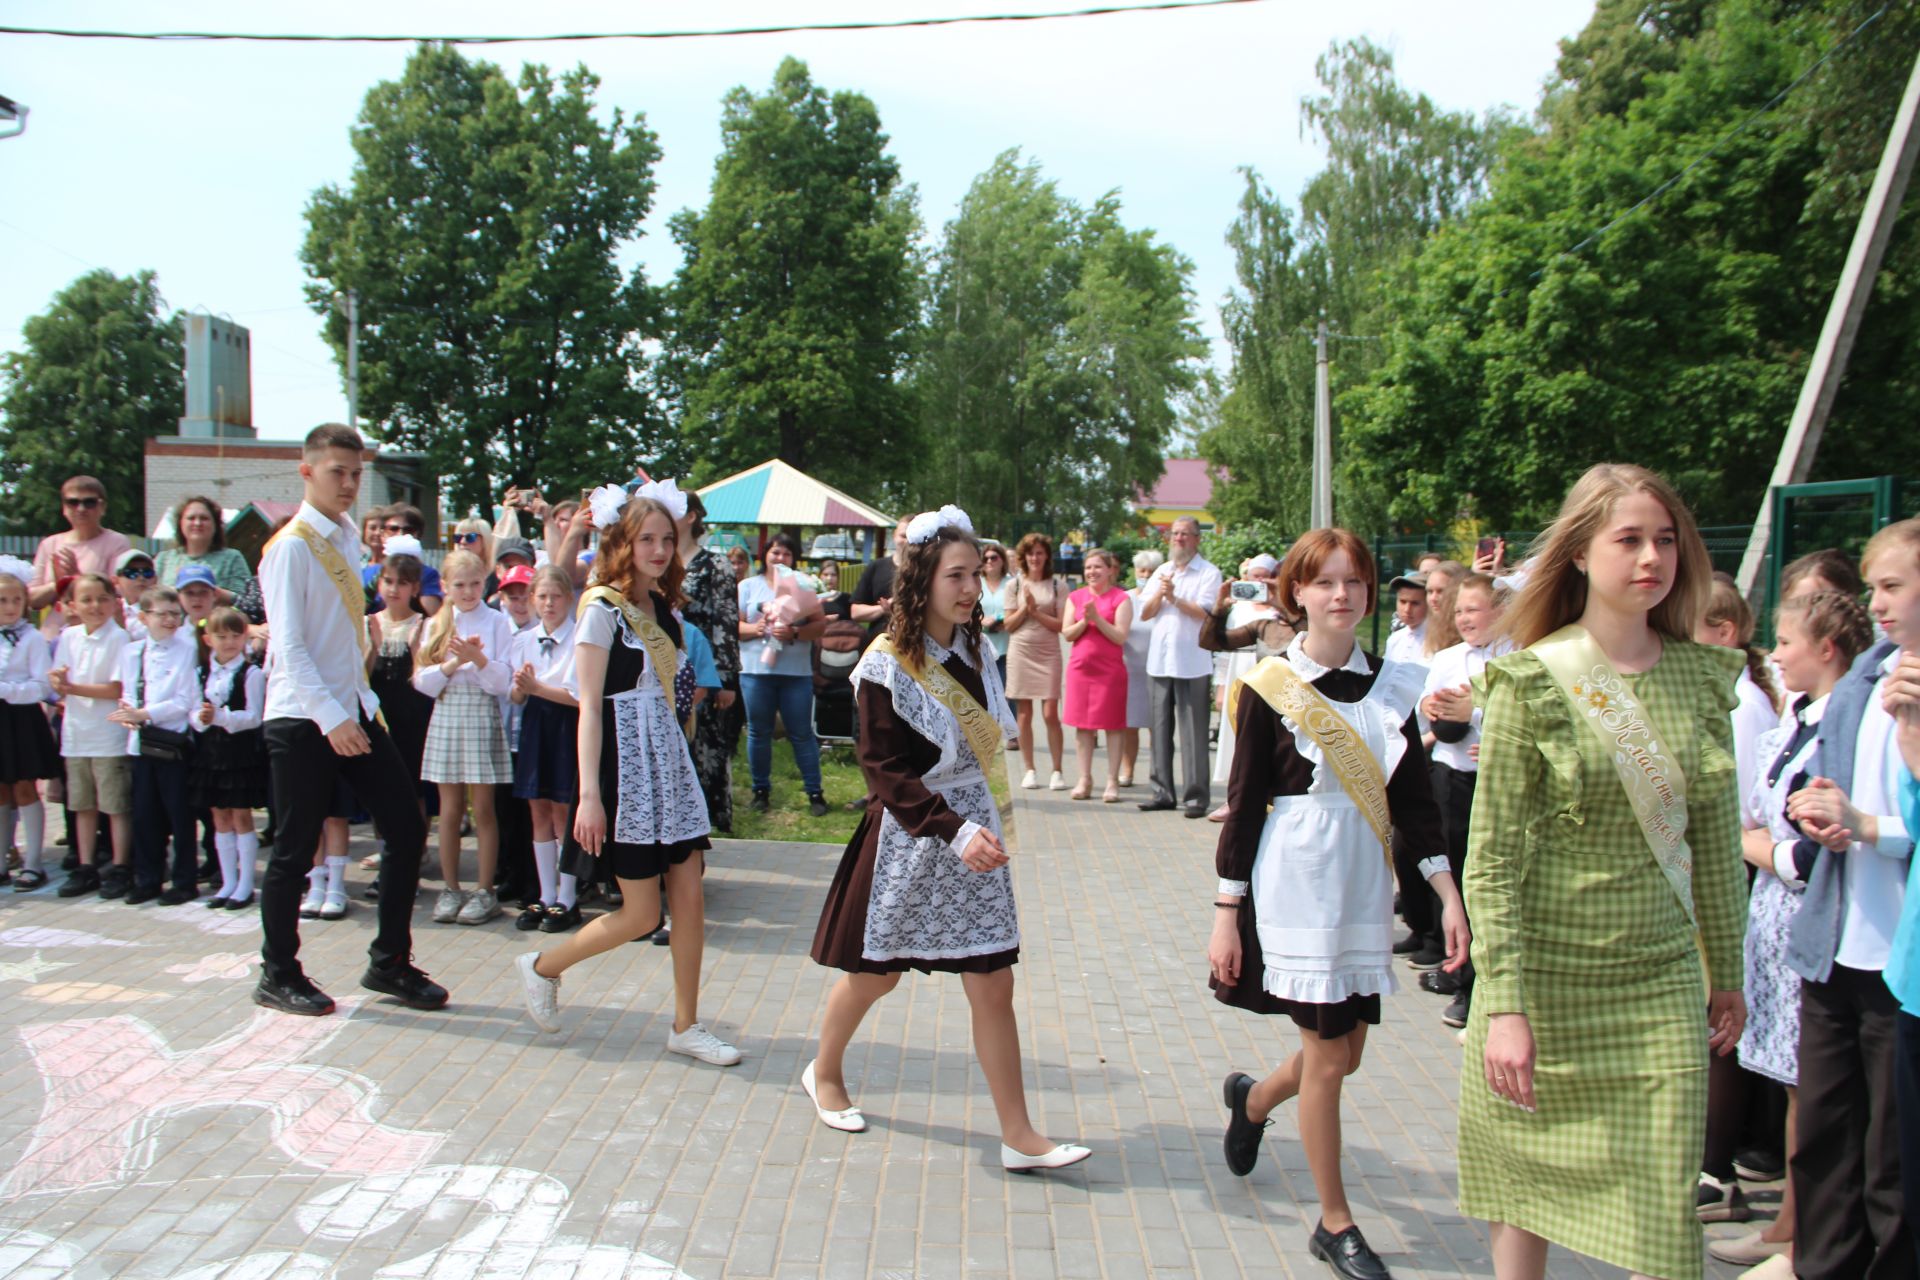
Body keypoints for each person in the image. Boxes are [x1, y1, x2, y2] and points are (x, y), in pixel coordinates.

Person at [1458, 463, 1747, 1280]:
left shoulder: (1703, 678)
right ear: (1581, 553)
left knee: (1664, 1216)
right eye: (1629, 540)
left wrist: (1726, 968)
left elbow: (1718, 843)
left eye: (1665, 540)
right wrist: (1504, 1002)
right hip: (1543, 984)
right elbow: (1495, 858)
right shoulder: (1531, 680)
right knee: (1523, 1187)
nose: (1651, 557)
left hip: (1657, 988)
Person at [1210, 527, 1466, 1280]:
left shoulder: (1397, 685)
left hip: (1361, 885)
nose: (1342, 594)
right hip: (1293, 887)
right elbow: (1245, 803)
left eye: (1355, 581)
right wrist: (1226, 912)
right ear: (1296, 593)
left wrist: (1447, 897)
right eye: (1325, 582)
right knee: (1327, 1058)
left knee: (1344, 1054)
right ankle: (1335, 1221)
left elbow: (1416, 807)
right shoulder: (1266, 686)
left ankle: (1254, 1101)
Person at [802, 505, 1090, 1170]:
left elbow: (986, 746)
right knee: (876, 976)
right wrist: (950, 829)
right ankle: (824, 1070)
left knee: (993, 982)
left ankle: (1019, 1135)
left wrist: (981, 823)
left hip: (973, 828)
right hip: (911, 836)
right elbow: (883, 770)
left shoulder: (974, 647)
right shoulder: (886, 662)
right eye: (955, 575)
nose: (969, 588)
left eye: (977, 574)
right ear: (922, 580)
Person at [514, 486, 741, 1067]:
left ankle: (686, 1025)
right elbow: (589, 706)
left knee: (689, 895)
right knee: (642, 913)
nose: (660, 550)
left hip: (667, 762)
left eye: (667, 539)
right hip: (622, 766)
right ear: (623, 542)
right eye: (647, 539)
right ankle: (543, 966)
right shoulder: (599, 610)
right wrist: (589, 796)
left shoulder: (662, 609)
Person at [1709, 590, 1874, 1275]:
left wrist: (1758, 848)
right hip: (1773, 918)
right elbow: (1755, 812)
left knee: (1813, 1086)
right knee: (1789, 1078)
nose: (1775, 656)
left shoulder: (1840, 726)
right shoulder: (1800, 719)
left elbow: (1805, 852)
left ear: (1828, 650)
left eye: (1788, 643)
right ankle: (1789, 1223)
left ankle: (1806, 1229)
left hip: (1803, 909)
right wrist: (1758, 841)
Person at [256, 423, 444, 1018]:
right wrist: (333, 715)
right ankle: (278, 972)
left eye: (356, 474)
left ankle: (389, 962)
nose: (349, 483)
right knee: (293, 848)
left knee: (407, 827)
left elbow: (338, 639)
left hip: (354, 710)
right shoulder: (291, 546)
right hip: (303, 716)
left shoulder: (341, 537)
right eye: (338, 472)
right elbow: (288, 646)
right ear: (306, 472)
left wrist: (356, 705)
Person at [1792, 517, 1920, 1280]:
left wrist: (1870, 825)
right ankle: (1820, 1264)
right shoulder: (1865, 681)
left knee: (1892, 1156)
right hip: (1834, 935)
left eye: (1893, 586)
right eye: (1872, 587)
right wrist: (1823, 811)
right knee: (1823, 1135)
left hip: (1898, 953)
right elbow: (1837, 785)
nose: (1875, 604)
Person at [1415, 572, 1510, 1029]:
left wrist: (1480, 718)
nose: (1464, 619)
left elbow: (1522, 713)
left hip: (1497, 785)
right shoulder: (1450, 657)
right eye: (1458, 612)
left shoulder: (1517, 657)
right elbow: (1424, 706)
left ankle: (1486, 990)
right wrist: (1435, 708)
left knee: (1487, 885)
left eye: (1473, 609)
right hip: (1452, 780)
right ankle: (1460, 975)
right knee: (1451, 876)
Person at [413, 548, 515, 927]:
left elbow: (503, 681)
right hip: (447, 713)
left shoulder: (497, 621)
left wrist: (480, 660)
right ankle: (452, 887)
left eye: (475, 583)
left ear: (485, 582)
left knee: (483, 808)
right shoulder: (436, 622)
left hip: (480, 712)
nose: (469, 591)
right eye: (460, 584)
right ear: (445, 586)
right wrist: (455, 662)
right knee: (450, 810)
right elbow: (422, 681)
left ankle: (485, 889)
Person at [110, 585, 202, 905]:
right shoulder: (131, 651)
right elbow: (128, 691)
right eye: (161, 614)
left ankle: (185, 880)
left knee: (179, 814)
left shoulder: (187, 648)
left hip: (172, 743)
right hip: (140, 743)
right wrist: (128, 712)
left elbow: (184, 700)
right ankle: (147, 878)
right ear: (143, 617)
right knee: (144, 815)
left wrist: (144, 713)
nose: (169, 620)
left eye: (175, 614)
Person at [49, 574, 131, 898]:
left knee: (114, 805)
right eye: (86, 599)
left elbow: (115, 688)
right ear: (71, 606)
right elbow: (59, 678)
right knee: (82, 804)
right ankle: (86, 865)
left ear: (114, 602)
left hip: (108, 735)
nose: (94, 606)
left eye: (102, 598)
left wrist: (70, 688)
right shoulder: (68, 636)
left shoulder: (119, 638)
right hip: (75, 735)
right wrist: (58, 683)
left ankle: (121, 865)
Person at [510, 565, 582, 933]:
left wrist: (535, 688)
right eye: (542, 596)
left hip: (566, 724)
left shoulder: (578, 638)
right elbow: (516, 693)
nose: (549, 603)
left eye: (556, 596)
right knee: (537, 810)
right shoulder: (524, 639)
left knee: (562, 812)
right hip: (535, 725)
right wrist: (522, 687)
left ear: (570, 600)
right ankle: (546, 892)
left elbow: (578, 696)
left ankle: (568, 896)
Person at [737, 533, 829, 818]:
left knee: (802, 734)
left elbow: (820, 625)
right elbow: (733, 625)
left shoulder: (803, 585)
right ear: (765, 555)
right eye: (776, 553)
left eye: (787, 554)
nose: (780, 558)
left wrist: (795, 632)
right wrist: (758, 629)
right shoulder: (747, 587)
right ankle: (760, 791)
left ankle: (815, 792)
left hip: (795, 673)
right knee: (758, 732)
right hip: (755, 671)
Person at [1138, 517, 1223, 817]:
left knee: (1194, 733)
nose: (1179, 539)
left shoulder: (1209, 573)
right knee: (1159, 730)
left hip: (1193, 662)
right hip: (1160, 662)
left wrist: (1174, 596)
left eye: (1185, 534)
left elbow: (1204, 613)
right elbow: (1145, 612)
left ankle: (1196, 797)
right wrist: (1162, 593)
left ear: (1198, 539)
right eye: (1175, 534)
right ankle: (1162, 792)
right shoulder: (1162, 571)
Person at [191, 606, 268, 910]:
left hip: (240, 753)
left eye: (235, 636)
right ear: (208, 639)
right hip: (211, 752)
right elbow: (192, 711)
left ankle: (246, 883)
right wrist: (202, 718)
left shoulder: (251, 673)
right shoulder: (201, 672)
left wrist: (221, 717)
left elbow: (254, 717)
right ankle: (227, 881)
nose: (229, 642)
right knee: (219, 817)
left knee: (241, 816)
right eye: (221, 636)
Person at [676, 490, 742, 836]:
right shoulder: (658, 559)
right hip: (665, 668)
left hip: (706, 673)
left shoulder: (715, 563)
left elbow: (726, 621)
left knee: (707, 752)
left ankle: (703, 828)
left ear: (691, 516)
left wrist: (727, 678)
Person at [1205, 556, 1287, 821]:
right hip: (1240, 677)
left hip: (1274, 682)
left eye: (1266, 576)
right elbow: (1216, 645)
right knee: (1239, 740)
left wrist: (1280, 602)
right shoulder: (1240, 610)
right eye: (1255, 576)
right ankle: (1237, 798)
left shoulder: (1282, 611)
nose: (1260, 582)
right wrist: (1219, 608)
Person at [0, 555, 57, 891]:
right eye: (3, 600)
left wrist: (7, 691)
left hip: (21, 719)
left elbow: (43, 686)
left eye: (16, 600)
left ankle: (34, 864)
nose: (10, 607)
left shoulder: (32, 638)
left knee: (24, 787)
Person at [1061, 548, 1133, 803]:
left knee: (1113, 726)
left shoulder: (1121, 598)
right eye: (1088, 567)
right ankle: (1084, 778)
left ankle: (1112, 781)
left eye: (1098, 567)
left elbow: (1120, 636)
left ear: (1110, 570)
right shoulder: (1076, 596)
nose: (1092, 572)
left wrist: (1097, 619)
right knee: (1083, 727)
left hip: (1110, 672)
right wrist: (1085, 621)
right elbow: (1067, 633)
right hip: (1081, 670)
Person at [1004, 532, 1067, 792]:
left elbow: (1062, 625)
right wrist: (1024, 609)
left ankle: (1057, 770)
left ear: (1047, 556)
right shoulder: (1015, 586)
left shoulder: (1057, 585)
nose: (1035, 558)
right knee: (1024, 713)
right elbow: (1008, 625)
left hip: (1048, 651)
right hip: (1021, 650)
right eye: (1030, 553)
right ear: (1023, 557)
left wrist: (1036, 612)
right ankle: (1029, 769)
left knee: (1051, 713)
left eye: (1040, 553)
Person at [28, 476, 133, 612]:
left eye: (89, 502)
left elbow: (119, 593)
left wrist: (76, 578)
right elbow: (31, 600)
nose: (81, 508)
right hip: (55, 627)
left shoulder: (117, 543)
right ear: (64, 508)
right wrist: (58, 585)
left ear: (102, 506)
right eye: (73, 502)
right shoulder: (49, 545)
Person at [155, 495, 253, 604]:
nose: (197, 523)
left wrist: (209, 591)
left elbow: (245, 601)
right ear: (180, 523)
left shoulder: (232, 558)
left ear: (216, 525)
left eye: (204, 518)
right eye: (191, 518)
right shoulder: (163, 559)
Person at [1119, 550, 1162, 789]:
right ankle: (1127, 770)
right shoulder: (1125, 599)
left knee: (1158, 726)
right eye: (1142, 570)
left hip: (1158, 672)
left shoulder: (1164, 601)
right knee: (1130, 725)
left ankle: (1158, 773)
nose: (1146, 575)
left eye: (1151, 571)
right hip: (1130, 671)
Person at [368, 505, 444, 616]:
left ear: (417, 535)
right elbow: (354, 613)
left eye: (409, 530)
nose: (401, 534)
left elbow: (435, 616)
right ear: (383, 534)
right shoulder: (369, 573)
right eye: (393, 529)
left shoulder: (427, 574)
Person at [851, 517, 911, 645]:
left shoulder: (926, 572)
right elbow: (855, 612)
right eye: (903, 536)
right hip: (879, 647)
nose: (907, 541)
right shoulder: (876, 567)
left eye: (912, 536)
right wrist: (883, 609)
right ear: (894, 536)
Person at [979, 541, 1013, 683]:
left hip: (1006, 647)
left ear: (1002, 560)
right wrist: (980, 620)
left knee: (1007, 697)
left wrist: (1004, 619)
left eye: (994, 557)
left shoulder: (1012, 583)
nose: (989, 561)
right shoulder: (975, 582)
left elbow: (1021, 609)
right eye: (985, 559)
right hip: (981, 647)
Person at [1381, 572, 1429, 667]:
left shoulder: (1437, 640)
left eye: (1415, 603)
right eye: (1403, 602)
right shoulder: (1395, 639)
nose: (1407, 609)